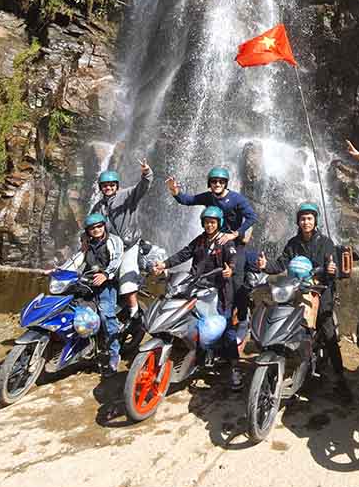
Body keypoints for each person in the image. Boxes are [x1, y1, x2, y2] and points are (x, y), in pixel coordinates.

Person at [255, 202, 350, 399]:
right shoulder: (293, 243)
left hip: (320, 289)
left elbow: (333, 268)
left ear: (315, 221)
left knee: (327, 330)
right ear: (298, 221)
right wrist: (265, 266)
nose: (305, 222)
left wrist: (332, 271)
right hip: (296, 287)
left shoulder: (326, 242)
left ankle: (340, 378)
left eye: (309, 218)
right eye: (302, 218)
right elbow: (281, 263)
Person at [152, 205, 242, 390]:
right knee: (188, 316)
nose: (209, 225)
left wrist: (229, 270)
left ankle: (235, 368)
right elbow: (184, 254)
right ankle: (197, 356)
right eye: (206, 222)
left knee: (226, 328)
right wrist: (164, 264)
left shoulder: (225, 241)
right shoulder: (200, 240)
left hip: (220, 290)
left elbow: (232, 260)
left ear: (219, 223)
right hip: (197, 286)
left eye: (212, 222)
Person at [166, 167, 257, 334]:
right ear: (210, 183)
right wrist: (175, 192)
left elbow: (252, 216)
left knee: (236, 283)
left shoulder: (236, 199)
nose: (217, 184)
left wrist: (235, 234)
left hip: (234, 244)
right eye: (214, 181)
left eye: (221, 182)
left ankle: (242, 319)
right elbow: (189, 200)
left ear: (225, 183)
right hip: (215, 242)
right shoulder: (209, 197)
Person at [88, 159, 153, 321]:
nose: (108, 187)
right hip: (111, 246)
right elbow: (90, 224)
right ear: (101, 188)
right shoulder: (98, 206)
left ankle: (134, 310)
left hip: (129, 244)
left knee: (125, 272)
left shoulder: (127, 195)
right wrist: (84, 239)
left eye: (111, 184)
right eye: (105, 185)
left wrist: (146, 173)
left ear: (117, 185)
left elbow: (143, 187)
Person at [64, 212, 124, 373]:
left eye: (99, 226)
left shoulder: (113, 241)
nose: (96, 229)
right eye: (92, 228)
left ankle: (114, 354)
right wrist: (59, 271)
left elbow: (117, 260)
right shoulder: (87, 244)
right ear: (88, 230)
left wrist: (106, 275)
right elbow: (76, 260)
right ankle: (82, 345)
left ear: (104, 226)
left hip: (108, 283)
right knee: (73, 309)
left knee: (106, 315)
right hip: (88, 283)